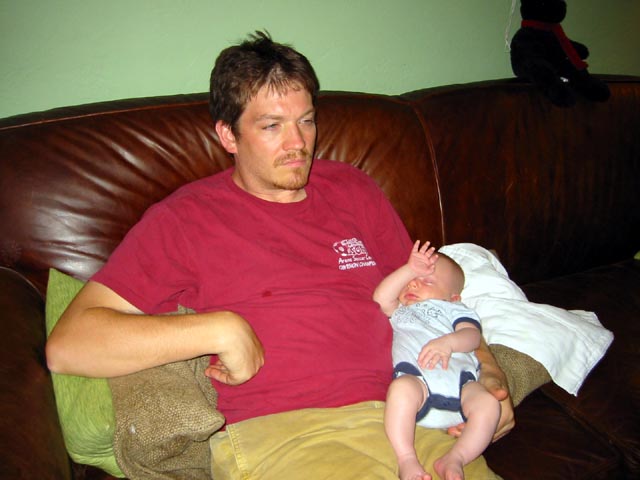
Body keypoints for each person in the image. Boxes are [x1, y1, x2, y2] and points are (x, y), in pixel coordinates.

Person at [46, 31, 513, 478]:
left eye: (306, 120)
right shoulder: (185, 219)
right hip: (286, 433)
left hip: (407, 417)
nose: (298, 144)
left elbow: (428, 298)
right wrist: (220, 328)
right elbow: (69, 345)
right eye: (272, 126)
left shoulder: (354, 189)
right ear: (228, 136)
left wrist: (488, 373)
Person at [374, 241, 501, 480]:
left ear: (453, 297)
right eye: (411, 281)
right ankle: (406, 459)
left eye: (427, 281)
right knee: (400, 389)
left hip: (462, 387)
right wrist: (410, 269)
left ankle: (455, 458)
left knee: (489, 404)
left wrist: (449, 343)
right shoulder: (400, 310)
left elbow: (472, 337)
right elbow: (380, 299)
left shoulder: (453, 309)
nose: (414, 284)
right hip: (418, 384)